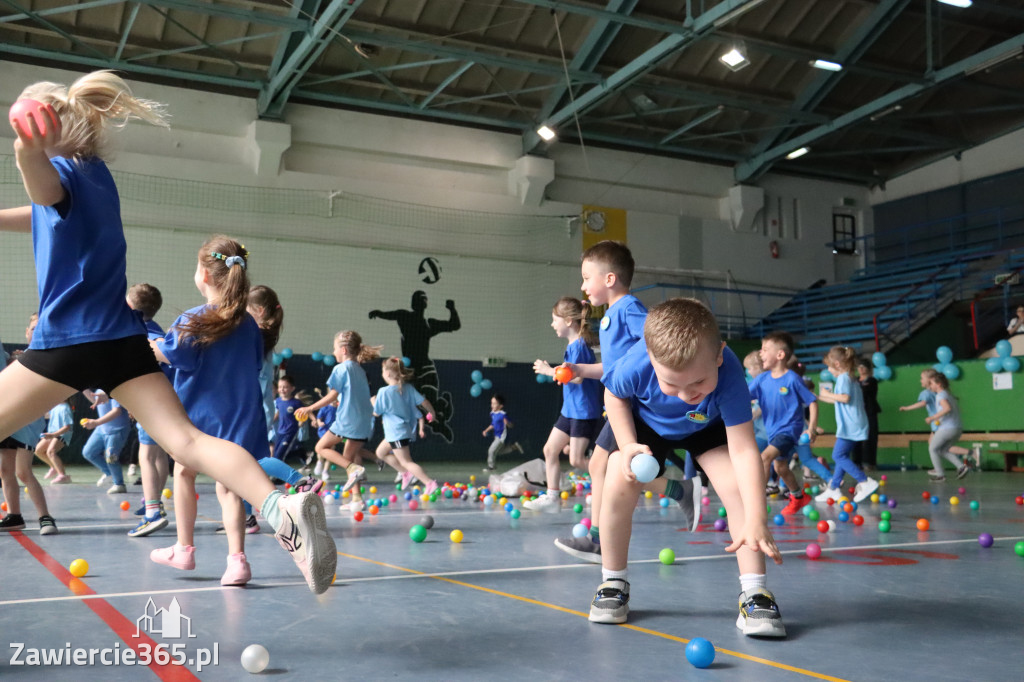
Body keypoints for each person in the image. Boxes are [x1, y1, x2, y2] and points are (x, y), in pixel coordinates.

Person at [0, 70, 334, 594]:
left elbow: (40, 183)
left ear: (51, 127)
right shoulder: (95, 177)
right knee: (189, 442)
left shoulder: (53, 169)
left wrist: (25, 148)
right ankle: (280, 507)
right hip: (121, 341)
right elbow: (43, 209)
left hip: (69, 342)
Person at [590, 298, 782, 635]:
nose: (684, 395)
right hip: (647, 426)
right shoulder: (637, 362)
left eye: (697, 383)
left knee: (736, 486)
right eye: (672, 384)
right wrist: (628, 444)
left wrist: (757, 517)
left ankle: (755, 593)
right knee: (617, 474)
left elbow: (743, 449)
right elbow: (614, 395)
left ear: (719, 355)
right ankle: (613, 583)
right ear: (651, 358)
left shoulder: (730, 372)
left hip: (706, 427)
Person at [554, 240, 647, 562]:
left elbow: (653, 340)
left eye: (586, 277)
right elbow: (612, 367)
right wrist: (578, 368)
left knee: (606, 467)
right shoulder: (610, 318)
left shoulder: (629, 308)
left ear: (609, 279)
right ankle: (597, 540)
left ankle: (598, 541)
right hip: (619, 405)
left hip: (633, 405)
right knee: (599, 465)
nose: (582, 286)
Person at [526, 297, 602, 512]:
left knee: (577, 460)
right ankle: (552, 497)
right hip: (569, 411)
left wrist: (550, 370)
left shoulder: (579, 347)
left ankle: (603, 485)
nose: (552, 324)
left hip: (582, 412)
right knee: (550, 450)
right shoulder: (573, 346)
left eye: (554, 320)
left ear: (568, 321)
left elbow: (577, 377)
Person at [296, 331, 381, 511]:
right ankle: (357, 499)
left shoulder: (341, 369)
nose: (333, 352)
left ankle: (354, 469)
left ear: (343, 350)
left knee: (321, 448)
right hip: (364, 421)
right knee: (350, 456)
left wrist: (309, 408)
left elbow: (332, 395)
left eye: (334, 348)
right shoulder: (360, 369)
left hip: (348, 420)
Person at [369, 292, 459, 442]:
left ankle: (438, 418)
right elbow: (390, 315)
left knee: (428, 401)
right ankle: (436, 422)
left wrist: (452, 309)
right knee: (415, 403)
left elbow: (454, 325)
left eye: (420, 300)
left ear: (423, 304)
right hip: (412, 371)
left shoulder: (427, 323)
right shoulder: (407, 317)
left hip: (425, 369)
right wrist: (378, 313)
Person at [749, 332, 816, 515]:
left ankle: (757, 502)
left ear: (780, 355)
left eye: (764, 350)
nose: (760, 354)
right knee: (780, 467)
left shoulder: (792, 379)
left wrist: (811, 429)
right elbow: (743, 397)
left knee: (764, 457)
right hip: (773, 432)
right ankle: (798, 497)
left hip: (789, 430)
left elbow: (811, 401)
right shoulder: (761, 380)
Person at [125, 283, 171, 537]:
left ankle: (153, 510)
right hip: (164, 399)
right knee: (159, 455)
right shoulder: (155, 328)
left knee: (146, 456)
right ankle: (153, 502)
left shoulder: (142, 333)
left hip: (152, 401)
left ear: (129, 307)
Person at [814, 347, 879, 503]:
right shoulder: (851, 377)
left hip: (851, 424)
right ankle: (834, 488)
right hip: (855, 422)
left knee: (838, 455)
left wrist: (827, 393)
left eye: (829, 366)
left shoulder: (843, 378)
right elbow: (839, 400)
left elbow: (844, 398)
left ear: (837, 364)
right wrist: (817, 397)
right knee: (842, 456)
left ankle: (864, 481)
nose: (828, 370)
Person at [372, 356, 438, 494]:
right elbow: (424, 402)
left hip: (396, 432)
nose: (382, 374)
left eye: (383, 371)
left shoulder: (383, 392)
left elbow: (376, 413)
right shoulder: (408, 388)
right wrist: (432, 412)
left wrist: (373, 401)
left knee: (407, 462)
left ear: (388, 373)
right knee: (380, 453)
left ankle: (429, 483)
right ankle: (405, 473)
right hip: (398, 432)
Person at [80, 389, 131, 493]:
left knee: (111, 458)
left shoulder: (114, 387)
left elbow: (117, 411)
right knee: (88, 452)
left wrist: (96, 422)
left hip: (117, 429)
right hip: (101, 429)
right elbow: (95, 400)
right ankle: (109, 473)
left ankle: (119, 484)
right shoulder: (99, 388)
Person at [923, 373, 968, 481]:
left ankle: (940, 474)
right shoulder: (948, 394)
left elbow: (947, 408)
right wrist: (940, 419)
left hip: (947, 429)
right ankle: (962, 467)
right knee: (943, 450)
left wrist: (932, 418)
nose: (930, 386)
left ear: (938, 384)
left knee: (932, 449)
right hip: (957, 428)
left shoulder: (941, 395)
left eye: (931, 383)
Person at [853, 358, 880, 471]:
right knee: (856, 437)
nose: (861, 369)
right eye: (859, 367)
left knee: (871, 437)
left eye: (863, 367)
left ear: (868, 369)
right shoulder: (855, 381)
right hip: (857, 412)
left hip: (869, 411)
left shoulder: (872, 380)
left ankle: (870, 462)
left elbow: (867, 392)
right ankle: (856, 462)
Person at [481, 394, 522, 470]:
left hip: (501, 437)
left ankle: (491, 466)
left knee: (491, 450)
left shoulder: (503, 415)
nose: (492, 405)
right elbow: (493, 424)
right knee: (498, 452)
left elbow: (511, 425)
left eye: (495, 403)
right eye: (491, 403)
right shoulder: (492, 413)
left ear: (500, 406)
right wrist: (486, 430)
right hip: (496, 436)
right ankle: (514, 447)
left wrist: (507, 423)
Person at [37, 398, 73, 484]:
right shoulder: (54, 407)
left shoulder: (65, 408)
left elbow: (67, 427)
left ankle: (63, 476)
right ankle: (54, 467)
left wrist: (53, 435)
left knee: (51, 452)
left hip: (62, 434)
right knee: (38, 450)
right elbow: (47, 415)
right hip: (52, 433)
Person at [273, 375, 304, 462]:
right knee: (275, 455)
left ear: (292, 388)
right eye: (280, 387)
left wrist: (301, 422)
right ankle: (299, 452)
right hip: (280, 432)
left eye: (285, 387)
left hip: (290, 432)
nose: (282, 389)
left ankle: (277, 474)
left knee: (280, 455)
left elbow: (303, 414)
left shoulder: (296, 403)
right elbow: (278, 413)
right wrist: (270, 422)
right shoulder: (278, 401)